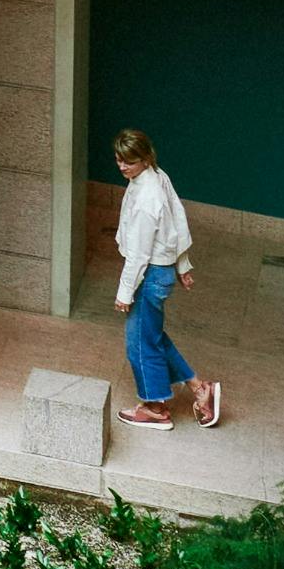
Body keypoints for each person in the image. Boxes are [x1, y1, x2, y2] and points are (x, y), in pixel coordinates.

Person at [109, 127, 220, 430]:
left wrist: (125, 291)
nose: (122, 166)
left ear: (145, 158)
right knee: (152, 337)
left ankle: (155, 406)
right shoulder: (158, 176)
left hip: (149, 276)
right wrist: (182, 265)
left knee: (139, 345)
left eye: (128, 161)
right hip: (161, 272)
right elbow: (177, 221)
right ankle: (199, 388)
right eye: (119, 159)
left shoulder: (147, 197)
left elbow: (140, 254)